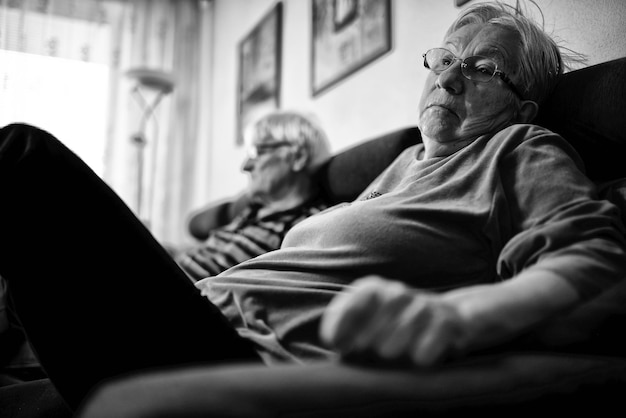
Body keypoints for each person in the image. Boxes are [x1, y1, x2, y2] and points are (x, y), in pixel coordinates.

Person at [0, 1, 625, 414]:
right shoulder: (398, 166)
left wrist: (470, 316)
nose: (451, 78)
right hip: (202, 312)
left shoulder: (518, 147)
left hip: (239, 353)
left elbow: (596, 256)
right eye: (444, 58)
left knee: (23, 161)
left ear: (522, 109)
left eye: (484, 68)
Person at [172, 110, 331, 281]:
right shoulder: (252, 209)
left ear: (298, 157)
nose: (245, 166)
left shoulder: (309, 227)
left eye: (256, 152)